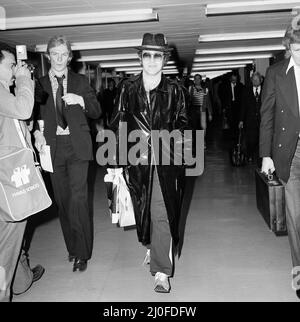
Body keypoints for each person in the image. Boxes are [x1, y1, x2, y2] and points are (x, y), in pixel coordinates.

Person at [108, 33, 190, 293]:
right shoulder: (127, 88)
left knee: (162, 213)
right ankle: (151, 246)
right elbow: (117, 123)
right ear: (140, 58)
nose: (152, 61)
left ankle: (162, 272)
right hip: (136, 162)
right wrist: (115, 161)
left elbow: (184, 126)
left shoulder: (176, 90)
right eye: (147, 55)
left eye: (157, 55)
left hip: (166, 165)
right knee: (143, 214)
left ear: (164, 59)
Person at [34, 35, 101, 272]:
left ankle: (82, 253)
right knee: (63, 203)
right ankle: (72, 248)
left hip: (77, 146)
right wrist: (36, 133)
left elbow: (96, 111)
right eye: (55, 54)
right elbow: (33, 117)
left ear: (70, 57)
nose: (60, 59)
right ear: (48, 56)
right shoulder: (39, 84)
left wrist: (80, 100)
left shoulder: (81, 81)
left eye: (64, 54)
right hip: (53, 148)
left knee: (79, 200)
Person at [260, 14, 300, 300]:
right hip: (290, 154)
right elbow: (267, 117)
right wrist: (266, 155)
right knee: (296, 217)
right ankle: (299, 272)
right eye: (297, 48)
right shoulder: (276, 73)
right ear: (289, 47)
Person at [0, 43, 44, 302]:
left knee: (12, 239)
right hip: (8, 180)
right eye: (9, 65)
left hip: (9, 174)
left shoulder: (6, 92)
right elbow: (24, 109)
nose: (14, 69)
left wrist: (33, 134)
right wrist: (25, 78)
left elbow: (16, 125)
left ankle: (22, 279)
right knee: (8, 244)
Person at [239, 71, 263, 164]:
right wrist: (241, 120)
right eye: (253, 80)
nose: (255, 82)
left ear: (261, 80)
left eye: (257, 80)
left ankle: (259, 158)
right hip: (250, 120)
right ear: (251, 81)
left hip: (262, 120)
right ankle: (249, 155)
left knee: (261, 140)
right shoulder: (246, 91)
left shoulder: (265, 90)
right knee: (251, 140)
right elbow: (243, 106)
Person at [188, 74, 212, 146]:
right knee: (194, 127)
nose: (197, 80)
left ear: (201, 80)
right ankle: (195, 143)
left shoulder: (205, 89)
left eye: (198, 79)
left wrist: (210, 113)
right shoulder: (191, 88)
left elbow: (208, 102)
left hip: (202, 109)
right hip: (193, 110)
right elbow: (188, 100)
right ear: (194, 80)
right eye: (195, 79)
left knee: (203, 127)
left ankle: (202, 141)